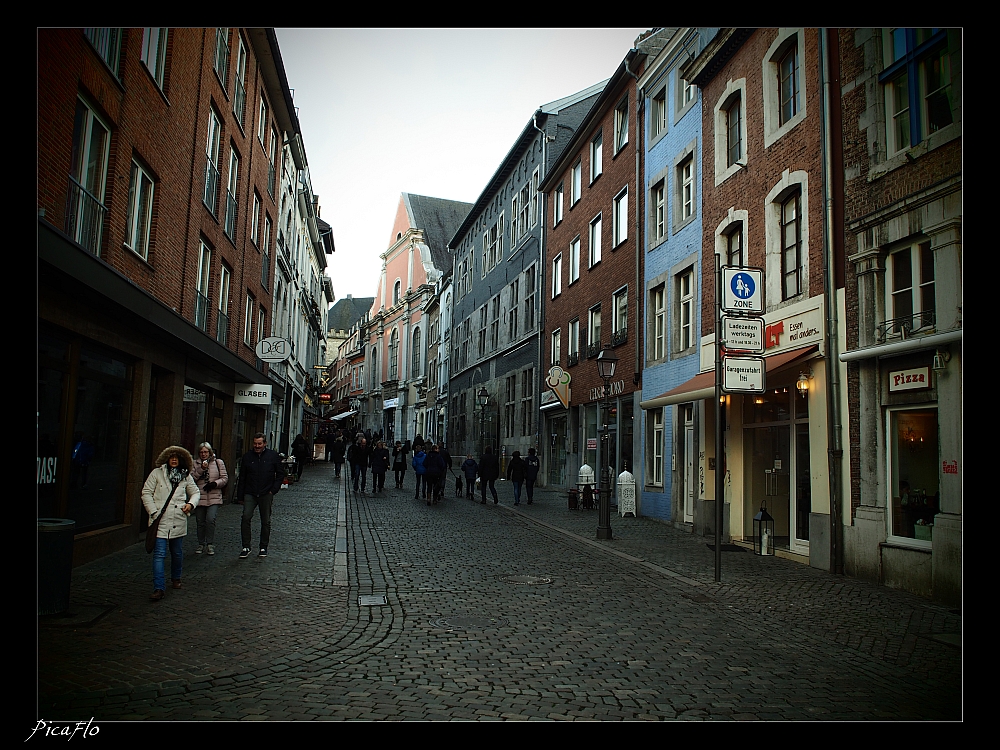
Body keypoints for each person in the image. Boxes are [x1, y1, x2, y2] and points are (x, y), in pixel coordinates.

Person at [141, 445, 199, 601]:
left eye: (177, 457)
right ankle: (159, 587)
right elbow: (146, 492)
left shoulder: (185, 476)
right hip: (160, 519)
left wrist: (191, 504)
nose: (174, 460)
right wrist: (153, 511)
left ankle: (176, 577)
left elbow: (195, 492)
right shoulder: (157, 473)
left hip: (177, 519)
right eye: (171, 457)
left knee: (177, 553)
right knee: (159, 554)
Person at [234, 433, 284, 559]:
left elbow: (280, 474)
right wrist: (240, 496)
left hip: (266, 492)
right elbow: (242, 477)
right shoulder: (247, 456)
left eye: (259, 444)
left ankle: (263, 546)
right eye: (255, 443)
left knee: (265, 521)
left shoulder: (273, 456)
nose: (257, 446)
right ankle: (246, 546)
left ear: (265, 444)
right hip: (250, 492)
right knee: (246, 517)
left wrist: (273, 490)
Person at [190, 442, 228, 555]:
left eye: (206, 452)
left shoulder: (218, 462)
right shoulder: (194, 464)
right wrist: (201, 469)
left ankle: (210, 543)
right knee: (200, 521)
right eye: (201, 452)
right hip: (199, 496)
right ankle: (201, 543)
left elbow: (224, 478)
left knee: (210, 519)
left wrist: (215, 484)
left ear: (210, 452)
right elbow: (191, 479)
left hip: (214, 496)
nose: (203, 454)